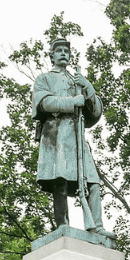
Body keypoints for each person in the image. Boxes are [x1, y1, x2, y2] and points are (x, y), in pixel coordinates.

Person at [32, 37, 105, 231]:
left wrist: (88, 87)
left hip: (77, 137)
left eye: (66, 51)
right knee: (60, 180)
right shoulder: (44, 79)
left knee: (92, 181)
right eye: (59, 51)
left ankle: (97, 226)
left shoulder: (77, 81)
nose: (63, 53)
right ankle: (63, 226)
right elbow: (43, 103)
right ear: (52, 56)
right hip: (56, 136)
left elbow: (95, 112)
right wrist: (71, 102)